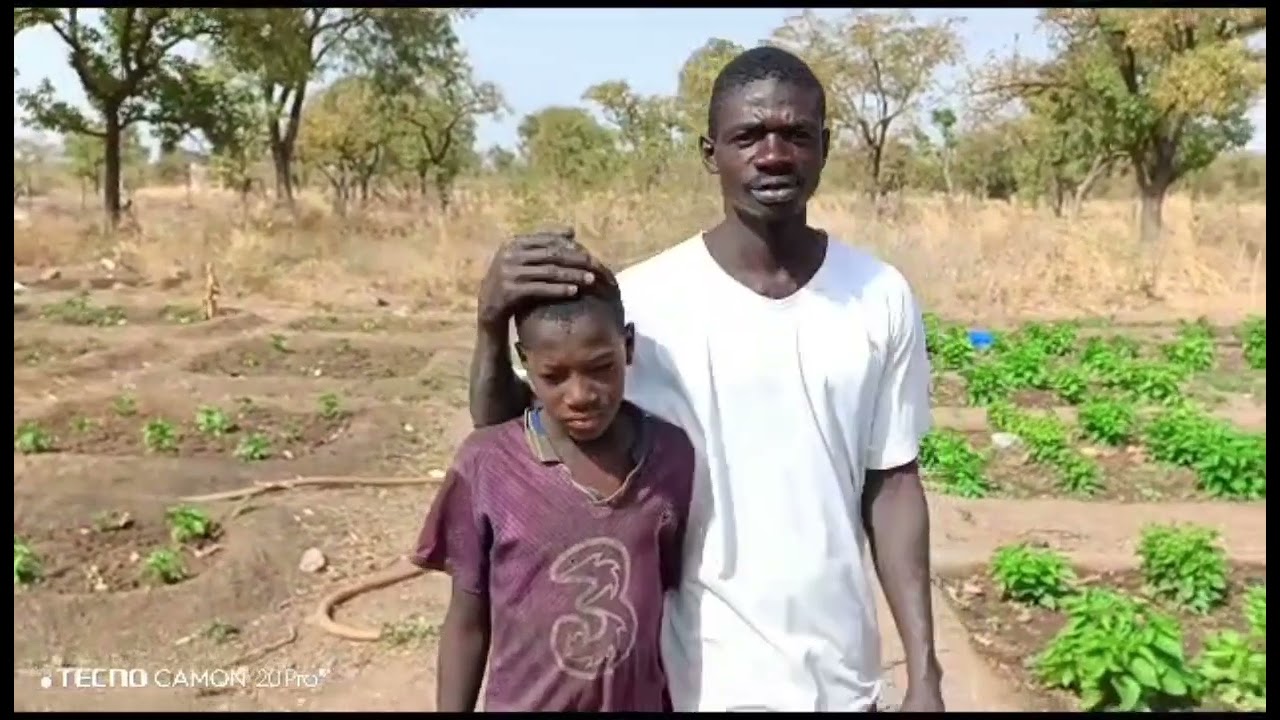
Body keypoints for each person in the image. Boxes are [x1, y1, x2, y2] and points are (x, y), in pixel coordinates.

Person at [467, 46, 943, 712]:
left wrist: (925, 673)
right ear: (709, 151)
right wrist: (491, 326)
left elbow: (892, 483)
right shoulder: (646, 304)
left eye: (796, 135)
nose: (773, 155)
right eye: (748, 136)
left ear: (826, 146)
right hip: (688, 681)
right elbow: (508, 451)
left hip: (840, 679)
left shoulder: (879, 295)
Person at [413, 278, 695, 712]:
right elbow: (467, 622)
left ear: (629, 346)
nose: (580, 395)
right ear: (525, 363)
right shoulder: (488, 464)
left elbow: (679, 594)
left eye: (601, 367)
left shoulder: (671, 458)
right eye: (554, 376)